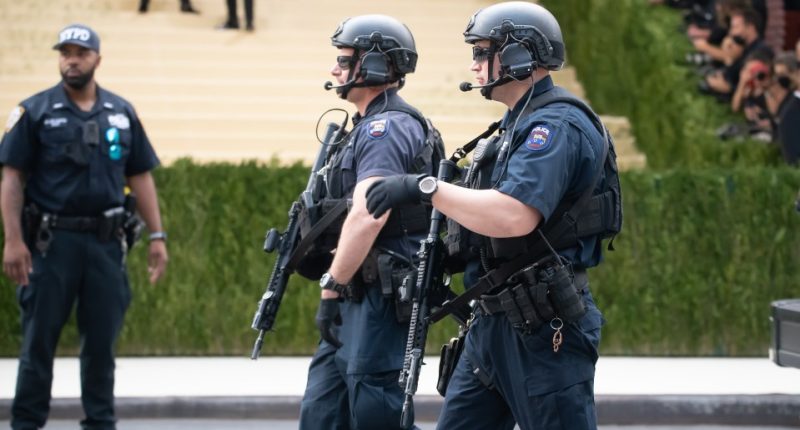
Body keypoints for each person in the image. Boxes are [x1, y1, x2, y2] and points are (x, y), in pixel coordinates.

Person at [366, 2, 622, 429]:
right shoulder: (512, 128)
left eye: (482, 52)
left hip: (543, 328)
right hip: (493, 323)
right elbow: (488, 225)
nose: (474, 64)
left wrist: (424, 187)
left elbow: (513, 216)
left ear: (520, 55)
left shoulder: (553, 127)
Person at [0, 24, 168, 430]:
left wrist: (157, 235)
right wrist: (13, 240)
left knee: (101, 344)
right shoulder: (34, 111)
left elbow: (140, 175)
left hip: (106, 246)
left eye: (81, 53)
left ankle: (100, 422)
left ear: (97, 59)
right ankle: (26, 423)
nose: (72, 60)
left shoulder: (121, 112)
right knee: (38, 341)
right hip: (50, 245)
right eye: (65, 53)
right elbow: (11, 178)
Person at [296, 14, 444, 430]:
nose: (334, 70)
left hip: (380, 295)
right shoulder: (363, 127)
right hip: (358, 292)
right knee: (322, 414)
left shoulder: (386, 127)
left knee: (375, 414)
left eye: (344, 61)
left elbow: (367, 215)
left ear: (375, 65)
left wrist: (331, 286)